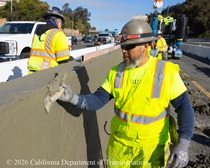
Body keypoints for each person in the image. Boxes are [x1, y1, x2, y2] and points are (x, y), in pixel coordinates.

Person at [58, 19, 194, 168]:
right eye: (123, 46)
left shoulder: (166, 72)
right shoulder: (117, 72)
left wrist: (183, 143)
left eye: (129, 46)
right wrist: (73, 98)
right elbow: (98, 99)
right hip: (119, 147)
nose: (124, 50)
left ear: (146, 45)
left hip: (152, 150)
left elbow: (184, 107)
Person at [27, 6, 73, 74]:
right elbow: (63, 60)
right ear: (58, 22)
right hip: (48, 75)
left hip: (31, 74)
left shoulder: (37, 34)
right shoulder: (58, 34)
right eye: (61, 23)